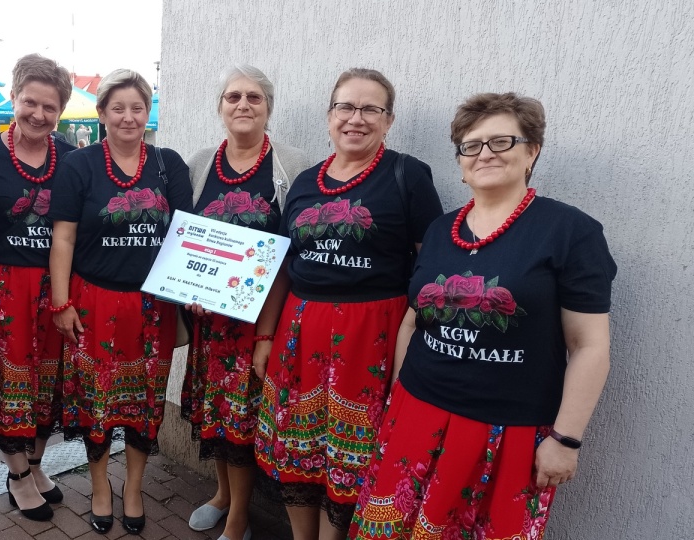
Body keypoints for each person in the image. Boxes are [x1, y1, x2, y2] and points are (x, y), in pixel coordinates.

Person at [348, 92, 617, 539]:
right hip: (416, 410)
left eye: (501, 142)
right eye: (471, 145)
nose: (485, 154)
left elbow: (589, 344)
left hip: (504, 432)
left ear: (532, 151)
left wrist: (566, 439)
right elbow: (415, 318)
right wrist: (396, 392)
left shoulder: (571, 232)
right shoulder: (441, 229)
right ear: (460, 160)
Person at [253, 68, 443, 540]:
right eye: (346, 107)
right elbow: (283, 266)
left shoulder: (408, 175)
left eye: (370, 109)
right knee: (299, 449)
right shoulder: (303, 182)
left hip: (372, 336)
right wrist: (264, 334)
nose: (356, 118)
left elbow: (433, 268)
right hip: (301, 331)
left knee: (352, 454)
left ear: (388, 119)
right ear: (330, 115)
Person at [48, 68, 192, 535]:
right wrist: (61, 301)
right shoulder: (80, 165)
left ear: (148, 112)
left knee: (143, 405)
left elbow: (188, 241)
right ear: (102, 112)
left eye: (138, 107)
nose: (129, 117)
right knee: (96, 404)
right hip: (94, 305)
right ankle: (99, 486)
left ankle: (132, 486)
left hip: (153, 310)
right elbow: (64, 238)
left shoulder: (169, 165)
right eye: (118, 108)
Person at [181, 64, 310, 540]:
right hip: (210, 319)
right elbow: (188, 241)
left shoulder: (292, 166)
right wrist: (191, 289)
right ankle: (221, 494)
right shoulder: (199, 164)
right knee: (214, 414)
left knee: (241, 420)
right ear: (220, 107)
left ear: (268, 108)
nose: (243, 105)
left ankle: (239, 517)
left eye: (254, 98)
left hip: (259, 318)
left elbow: (298, 244)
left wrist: (269, 330)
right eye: (233, 97)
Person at [0, 53, 74, 522]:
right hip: (2, 286)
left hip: (54, 287)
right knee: (10, 382)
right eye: (29, 102)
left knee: (47, 383)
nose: (38, 114)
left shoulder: (71, 158)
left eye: (50, 107)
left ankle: (35, 465)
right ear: (14, 98)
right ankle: (16, 477)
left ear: (61, 111)